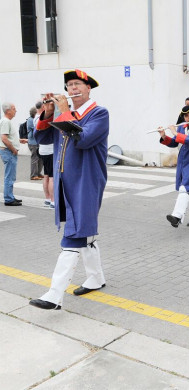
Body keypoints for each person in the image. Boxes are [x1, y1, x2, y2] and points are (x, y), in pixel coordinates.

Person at [29, 69, 109, 310]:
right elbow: (40, 140)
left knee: (73, 236)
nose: (72, 89)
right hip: (65, 181)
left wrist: (64, 112)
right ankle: (96, 278)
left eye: (77, 85)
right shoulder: (66, 114)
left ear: (88, 89)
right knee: (85, 233)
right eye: (69, 86)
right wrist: (49, 113)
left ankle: (54, 295)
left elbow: (83, 139)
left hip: (87, 179)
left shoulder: (99, 113)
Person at [162, 105, 189, 227]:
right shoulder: (182, 127)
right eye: (186, 116)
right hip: (183, 162)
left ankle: (177, 216)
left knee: (185, 188)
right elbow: (174, 142)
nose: (188, 117)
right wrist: (164, 136)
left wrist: (175, 132)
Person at [0, 102, 27, 206]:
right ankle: (9, 199)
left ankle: (10, 196)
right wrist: (14, 150)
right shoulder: (6, 121)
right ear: (8, 111)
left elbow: (8, 137)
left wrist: (18, 140)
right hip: (9, 152)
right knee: (9, 176)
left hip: (8, 151)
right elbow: (4, 138)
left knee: (10, 176)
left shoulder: (6, 121)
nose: (16, 111)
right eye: (14, 108)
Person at [35, 100, 55, 208]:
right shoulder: (41, 118)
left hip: (43, 150)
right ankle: (53, 201)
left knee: (46, 175)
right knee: (52, 177)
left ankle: (47, 199)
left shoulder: (36, 117)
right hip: (50, 149)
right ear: (44, 107)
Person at [27, 106, 44, 180]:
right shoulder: (31, 120)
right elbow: (37, 128)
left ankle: (38, 173)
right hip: (33, 142)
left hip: (38, 142)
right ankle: (33, 175)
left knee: (40, 158)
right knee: (35, 158)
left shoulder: (36, 119)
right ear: (34, 113)